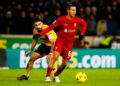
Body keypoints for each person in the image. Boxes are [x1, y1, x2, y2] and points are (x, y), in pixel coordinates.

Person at [38, 3, 87, 82]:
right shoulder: (61, 19)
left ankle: (55, 75)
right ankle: (47, 76)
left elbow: (84, 24)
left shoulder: (77, 19)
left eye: (75, 10)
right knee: (55, 56)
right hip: (60, 42)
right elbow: (51, 27)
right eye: (72, 10)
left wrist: (82, 33)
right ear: (68, 11)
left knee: (65, 63)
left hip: (69, 45)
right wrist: (40, 34)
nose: (74, 12)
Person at [17, 15, 57, 82]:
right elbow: (35, 40)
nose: (38, 26)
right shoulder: (35, 30)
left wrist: (50, 53)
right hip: (45, 45)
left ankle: (55, 77)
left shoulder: (47, 29)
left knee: (50, 60)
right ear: (33, 26)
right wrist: (30, 50)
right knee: (32, 58)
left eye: (39, 24)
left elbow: (53, 42)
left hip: (54, 45)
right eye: (36, 25)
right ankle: (26, 75)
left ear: (42, 23)